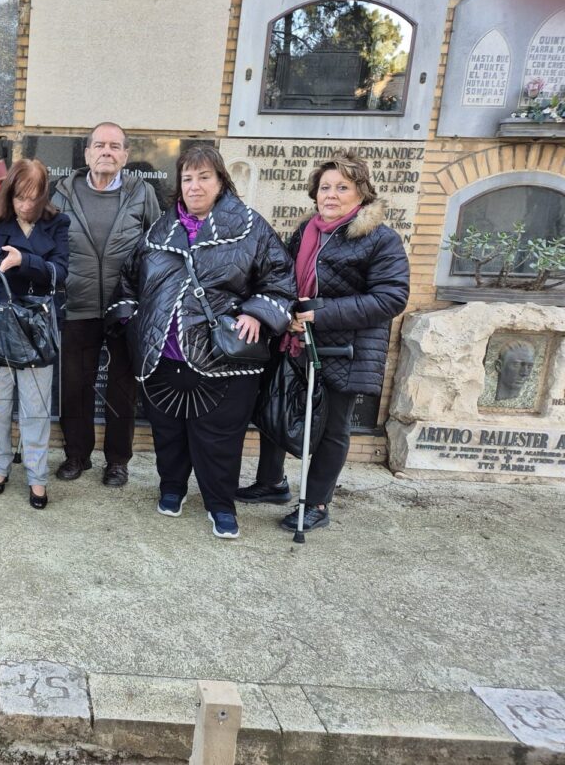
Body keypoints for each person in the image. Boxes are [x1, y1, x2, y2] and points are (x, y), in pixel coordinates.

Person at [106, 145, 294, 539]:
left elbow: (279, 278)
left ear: (221, 180)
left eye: (204, 177)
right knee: (168, 433)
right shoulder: (162, 228)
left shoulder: (249, 226)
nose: (194, 186)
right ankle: (171, 489)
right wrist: (131, 320)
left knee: (219, 440)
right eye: (188, 178)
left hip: (223, 358)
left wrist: (257, 312)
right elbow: (130, 278)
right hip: (163, 356)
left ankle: (220, 505)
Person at [237, 152, 409, 532]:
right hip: (296, 340)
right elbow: (284, 279)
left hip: (344, 350)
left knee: (333, 429)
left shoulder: (380, 239)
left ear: (361, 193)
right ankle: (271, 483)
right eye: (325, 187)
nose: (330, 195)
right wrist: (286, 316)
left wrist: (318, 314)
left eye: (342, 187)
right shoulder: (307, 232)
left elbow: (390, 298)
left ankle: (316, 503)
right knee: (275, 409)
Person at [51, 122, 160, 488]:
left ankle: (117, 461)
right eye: (100, 145)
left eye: (115, 146)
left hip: (125, 308)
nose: (107, 152)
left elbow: (155, 248)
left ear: (126, 155)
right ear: (86, 153)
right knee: (74, 386)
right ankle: (76, 455)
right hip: (76, 305)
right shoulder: (62, 193)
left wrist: (144, 298)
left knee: (122, 389)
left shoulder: (142, 193)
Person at [0, 159, 70, 510]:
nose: (26, 205)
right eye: (19, 197)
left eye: (33, 198)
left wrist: (23, 263)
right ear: (9, 193)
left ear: (44, 196)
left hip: (38, 327)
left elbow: (61, 274)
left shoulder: (58, 223)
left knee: (36, 408)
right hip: (1, 325)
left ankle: (37, 477)